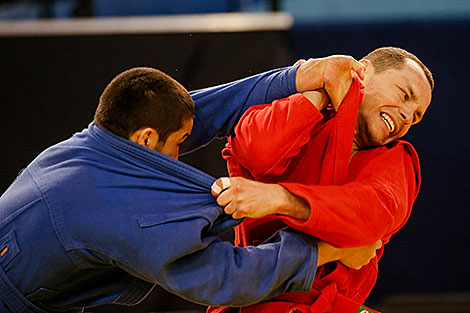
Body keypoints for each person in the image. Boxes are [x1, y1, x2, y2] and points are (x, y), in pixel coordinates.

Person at [0, 66, 379, 312]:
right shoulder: (114, 211)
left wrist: (299, 78)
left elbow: (205, 110)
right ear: (147, 139)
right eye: (179, 141)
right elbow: (224, 277)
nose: (180, 153)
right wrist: (325, 250)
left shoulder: (96, 142)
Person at [209, 47, 434, 313]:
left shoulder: (397, 158)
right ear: (363, 70)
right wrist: (319, 90)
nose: (408, 116)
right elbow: (257, 153)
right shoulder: (293, 110)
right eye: (404, 94)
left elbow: (371, 218)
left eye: (416, 115)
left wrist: (281, 199)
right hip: (261, 298)